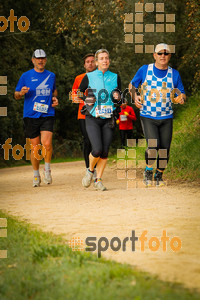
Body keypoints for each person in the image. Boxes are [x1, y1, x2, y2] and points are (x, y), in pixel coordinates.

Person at [129, 43, 186, 187]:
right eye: (160, 53)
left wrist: (181, 98)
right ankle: (148, 170)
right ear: (154, 55)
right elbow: (132, 85)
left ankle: (159, 175)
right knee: (153, 145)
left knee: (165, 148)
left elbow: (181, 92)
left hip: (166, 116)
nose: (163, 56)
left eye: (166, 53)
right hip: (148, 115)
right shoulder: (145, 70)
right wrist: (135, 96)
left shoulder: (174, 74)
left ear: (169, 56)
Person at [14, 49, 58, 187]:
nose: (40, 61)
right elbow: (16, 95)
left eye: (43, 58)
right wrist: (21, 93)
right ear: (33, 60)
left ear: (46, 60)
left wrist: (55, 98)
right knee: (35, 147)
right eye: (38, 59)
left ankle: (47, 169)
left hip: (47, 114)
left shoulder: (51, 76)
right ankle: (35, 174)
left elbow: (54, 90)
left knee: (47, 144)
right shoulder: (25, 76)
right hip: (30, 115)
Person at [79, 49, 121, 191]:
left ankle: (98, 180)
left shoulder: (115, 77)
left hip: (108, 118)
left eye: (106, 58)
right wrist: (86, 99)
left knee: (104, 151)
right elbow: (78, 92)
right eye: (102, 58)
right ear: (97, 62)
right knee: (96, 149)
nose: (105, 60)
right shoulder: (89, 76)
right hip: (92, 117)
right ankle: (90, 171)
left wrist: (118, 98)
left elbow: (119, 97)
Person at [71, 54, 96, 172]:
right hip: (83, 114)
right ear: (84, 64)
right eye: (88, 62)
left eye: (92, 61)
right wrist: (84, 99)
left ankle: (94, 167)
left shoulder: (101, 77)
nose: (90, 64)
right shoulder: (78, 78)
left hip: (98, 114)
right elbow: (73, 96)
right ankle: (88, 168)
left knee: (96, 141)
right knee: (87, 140)